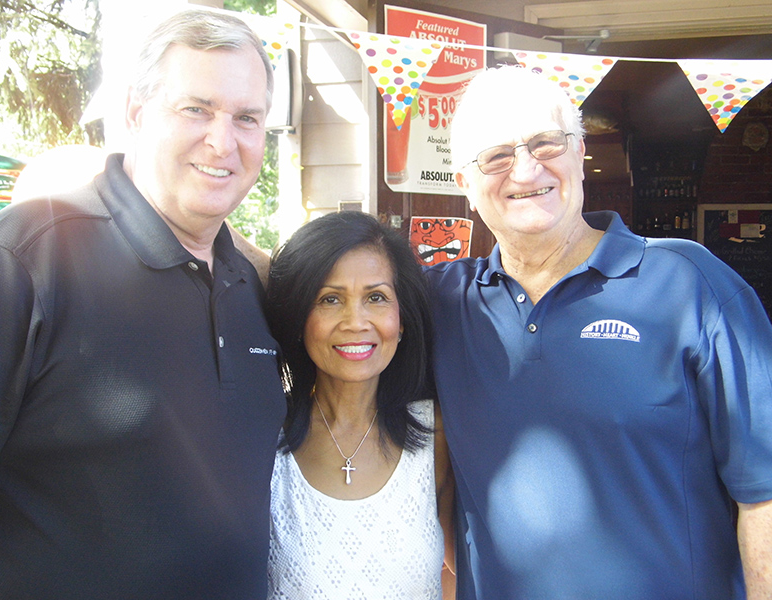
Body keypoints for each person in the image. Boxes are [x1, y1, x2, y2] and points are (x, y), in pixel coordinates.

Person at [424, 65, 772, 599]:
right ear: (465, 185)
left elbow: (764, 493)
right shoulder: (440, 303)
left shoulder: (690, 284)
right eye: (496, 156)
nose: (524, 170)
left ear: (579, 153)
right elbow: (313, 298)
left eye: (545, 143)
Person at [0, 9, 286, 599]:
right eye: (196, 108)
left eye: (247, 117)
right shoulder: (22, 262)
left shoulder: (256, 285)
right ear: (137, 114)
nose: (223, 140)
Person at [264, 210, 455, 599]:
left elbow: (458, 572)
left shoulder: (438, 432)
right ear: (301, 318)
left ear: (401, 322)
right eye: (330, 299)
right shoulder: (263, 435)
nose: (356, 321)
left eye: (376, 297)